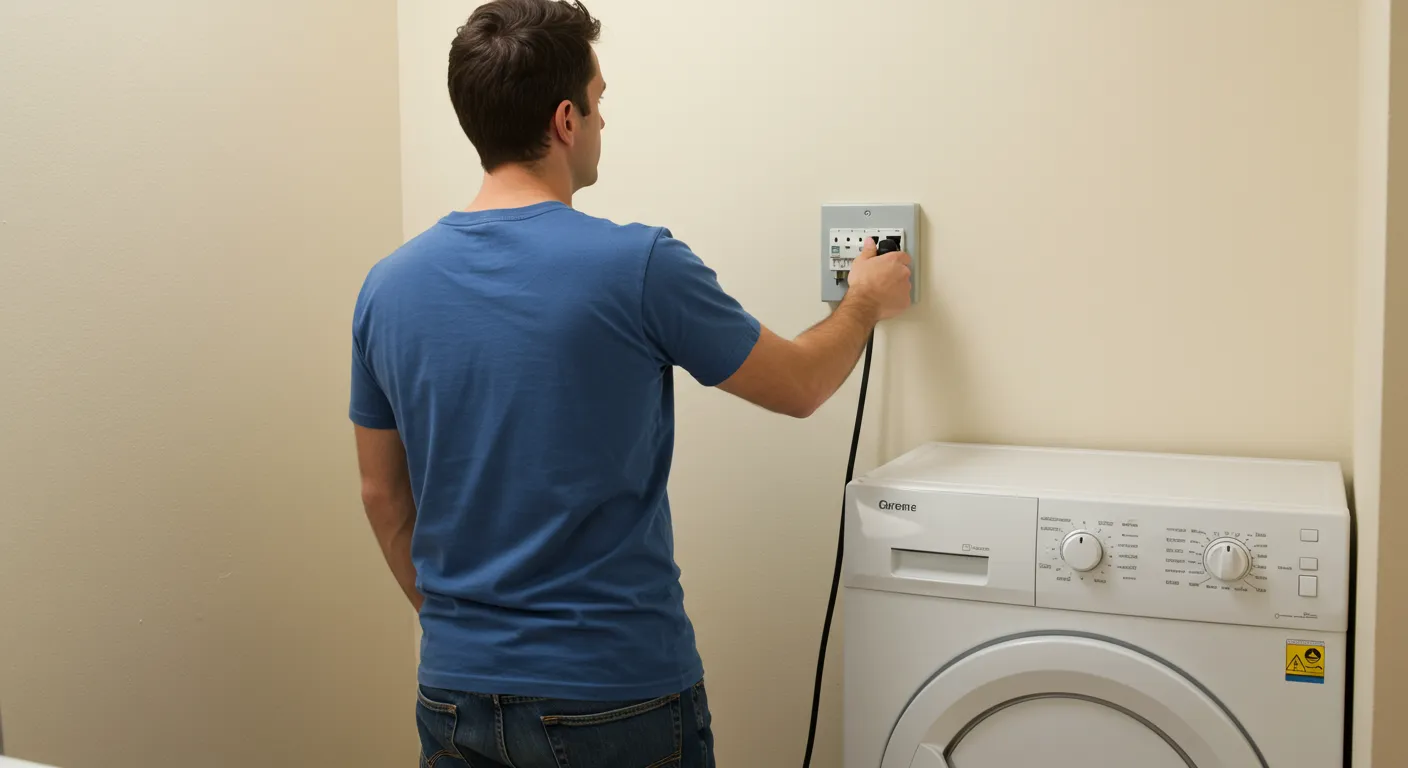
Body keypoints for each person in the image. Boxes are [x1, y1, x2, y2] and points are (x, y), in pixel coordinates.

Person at [348, 0, 912, 765]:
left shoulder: (387, 288)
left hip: (454, 695)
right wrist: (865, 302)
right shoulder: (638, 267)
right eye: (600, 99)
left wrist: (465, 630)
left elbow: (383, 496)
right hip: (612, 696)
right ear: (566, 120)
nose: (604, 119)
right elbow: (802, 385)